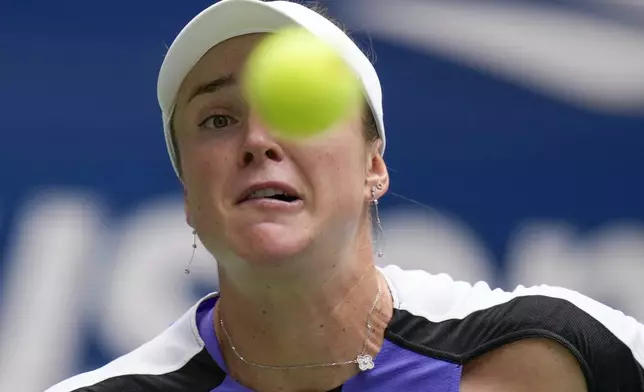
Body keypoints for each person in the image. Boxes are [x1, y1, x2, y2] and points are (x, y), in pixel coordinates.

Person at [46, 0, 644, 391]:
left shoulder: (555, 352)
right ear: (187, 192)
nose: (257, 140)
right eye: (218, 120)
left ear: (374, 166)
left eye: (299, 109)